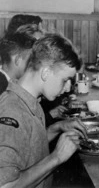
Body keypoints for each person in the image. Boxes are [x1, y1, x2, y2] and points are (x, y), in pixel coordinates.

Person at [0, 33, 87, 188]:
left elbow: (28, 148)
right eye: (65, 80)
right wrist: (56, 157)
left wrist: (56, 128)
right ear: (45, 73)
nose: (68, 88)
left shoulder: (31, 99)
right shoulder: (12, 113)